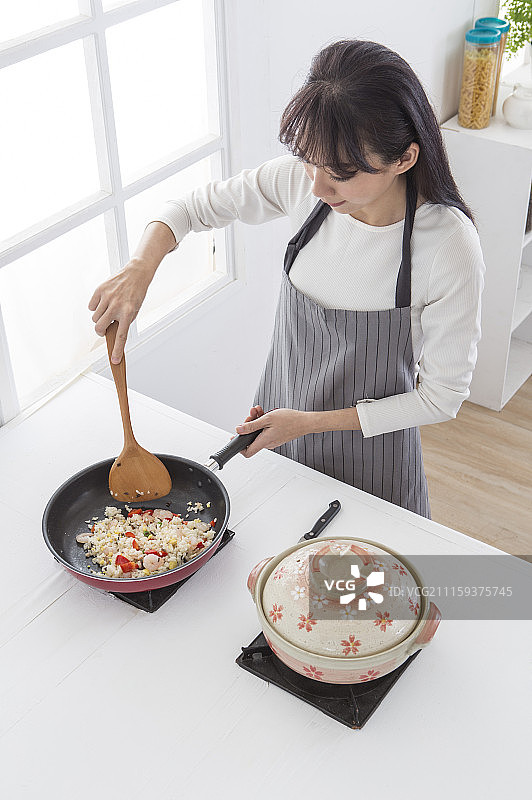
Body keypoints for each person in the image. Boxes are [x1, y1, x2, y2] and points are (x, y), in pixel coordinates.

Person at [89, 39, 485, 519]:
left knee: (363, 591)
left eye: (339, 172)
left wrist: (310, 423)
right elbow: (191, 209)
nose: (317, 186)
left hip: (372, 458)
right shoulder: (303, 183)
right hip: (277, 431)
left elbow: (441, 398)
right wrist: (140, 269)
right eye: (311, 160)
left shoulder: (447, 245)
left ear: (403, 159)